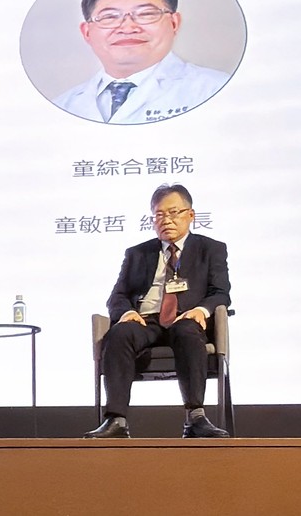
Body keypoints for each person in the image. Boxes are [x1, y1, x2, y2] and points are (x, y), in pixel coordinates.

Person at [86, 183, 231, 438]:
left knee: (187, 331)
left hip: (185, 319)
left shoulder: (211, 249)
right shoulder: (137, 254)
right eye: (159, 215)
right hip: (146, 320)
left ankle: (195, 418)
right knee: (119, 334)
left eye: (173, 212)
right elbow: (117, 296)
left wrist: (202, 310)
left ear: (190, 215)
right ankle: (116, 420)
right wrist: (126, 313)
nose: (166, 220)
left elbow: (221, 292)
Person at [51, 0, 230, 124]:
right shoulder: (62, 105)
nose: (128, 28)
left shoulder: (217, 88)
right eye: (109, 17)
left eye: (146, 14)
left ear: (174, 23)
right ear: (87, 33)